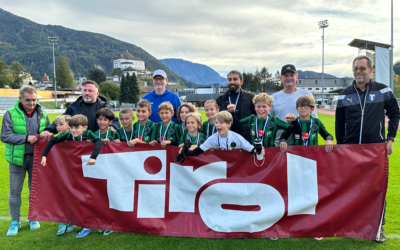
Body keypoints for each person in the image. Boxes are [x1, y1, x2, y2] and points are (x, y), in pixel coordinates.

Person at [335, 55, 400, 243]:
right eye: (355, 68)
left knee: (377, 189)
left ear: (371, 70)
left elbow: (395, 114)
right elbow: (339, 123)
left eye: (362, 68)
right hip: (351, 150)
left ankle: (378, 228)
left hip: (375, 149)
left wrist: (390, 139)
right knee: (351, 188)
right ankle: (351, 225)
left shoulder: (383, 91)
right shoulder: (345, 94)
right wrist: (341, 145)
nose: (358, 71)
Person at [40, 114, 106, 238]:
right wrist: (44, 155)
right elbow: (54, 140)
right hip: (76, 171)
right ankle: (84, 223)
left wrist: (93, 157)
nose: (73, 130)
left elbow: (98, 141)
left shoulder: (88, 134)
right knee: (77, 195)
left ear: (85, 128)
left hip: (91, 170)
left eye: (77, 128)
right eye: (71, 128)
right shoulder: (69, 135)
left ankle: (92, 224)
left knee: (91, 195)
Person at [1, 85, 50, 236]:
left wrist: (48, 133)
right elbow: (4, 136)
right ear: (20, 99)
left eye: (34, 100)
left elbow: (50, 130)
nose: (32, 103)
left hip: (36, 160)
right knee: (15, 192)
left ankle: (33, 217)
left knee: (33, 191)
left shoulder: (43, 113)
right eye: (28, 100)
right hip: (17, 160)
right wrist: (26, 138)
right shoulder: (10, 114)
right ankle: (15, 221)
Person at [40, 80, 120, 138]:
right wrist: (49, 130)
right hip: (78, 146)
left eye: (90, 91)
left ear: (97, 93)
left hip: (98, 144)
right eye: (85, 90)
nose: (87, 93)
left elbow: (115, 121)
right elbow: (61, 120)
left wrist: (112, 126)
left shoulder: (104, 107)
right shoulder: (73, 107)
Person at [177, 111, 265, 160]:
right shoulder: (212, 139)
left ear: (229, 124)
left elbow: (251, 149)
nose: (218, 125)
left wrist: (258, 151)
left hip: (235, 168)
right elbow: (198, 151)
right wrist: (184, 151)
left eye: (221, 123)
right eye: (216, 123)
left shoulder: (237, 138)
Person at [270, 64, 317, 146]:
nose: (289, 78)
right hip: (279, 145)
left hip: (302, 144)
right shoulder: (273, 98)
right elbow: (269, 122)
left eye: (292, 75)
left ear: (297, 77)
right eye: (286, 75)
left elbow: (314, 119)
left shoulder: (306, 94)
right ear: (280, 78)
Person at [231, 93, 300, 147]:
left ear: (270, 107)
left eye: (264, 106)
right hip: (254, 154)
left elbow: (297, 130)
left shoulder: (274, 121)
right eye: (258, 106)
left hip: (270, 156)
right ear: (255, 107)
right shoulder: (251, 119)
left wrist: (294, 120)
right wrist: (232, 112)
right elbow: (236, 125)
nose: (261, 109)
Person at [51, 114, 77, 235]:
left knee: (72, 195)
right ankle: (62, 220)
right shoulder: (56, 139)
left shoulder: (76, 138)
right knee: (61, 194)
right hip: (60, 172)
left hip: (74, 172)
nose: (58, 127)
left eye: (61, 124)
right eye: (56, 125)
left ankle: (72, 220)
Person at [216, 70, 256, 141]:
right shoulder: (220, 99)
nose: (232, 82)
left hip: (246, 139)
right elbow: (216, 119)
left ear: (241, 81)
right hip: (226, 138)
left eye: (235, 79)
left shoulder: (251, 97)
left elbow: (256, 118)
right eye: (229, 79)